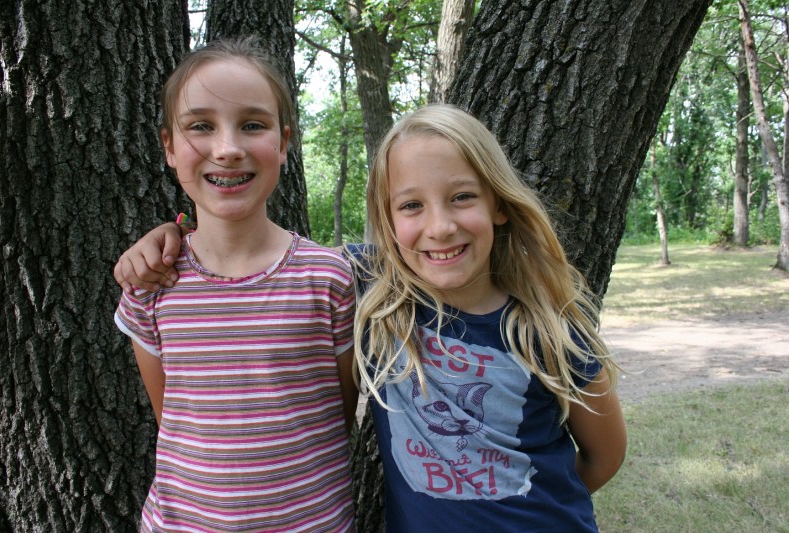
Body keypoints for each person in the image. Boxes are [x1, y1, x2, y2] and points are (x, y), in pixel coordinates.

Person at [115, 105, 627, 532]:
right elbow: (258, 257)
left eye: (462, 197)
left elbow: (604, 457)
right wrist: (173, 234)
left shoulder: (549, 327)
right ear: (387, 220)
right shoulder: (373, 290)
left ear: (499, 203)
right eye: (411, 206)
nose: (440, 227)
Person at [113, 37, 357, 532]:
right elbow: (172, 419)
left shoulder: (329, 279)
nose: (227, 149)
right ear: (169, 147)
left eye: (252, 125)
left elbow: (339, 414)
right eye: (201, 126)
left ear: (283, 143)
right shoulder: (151, 281)